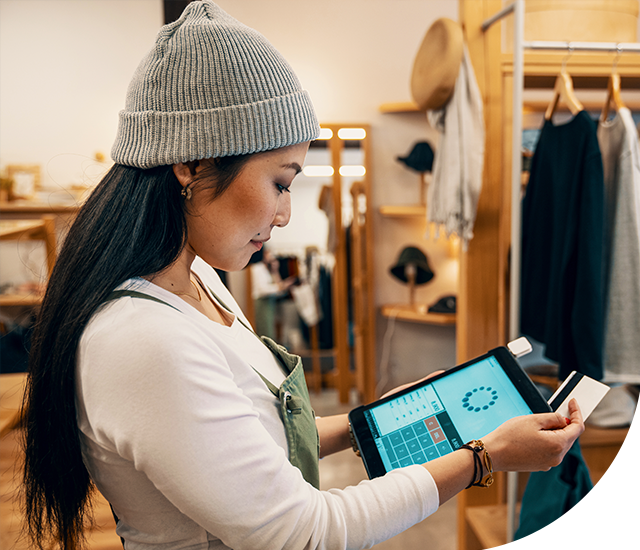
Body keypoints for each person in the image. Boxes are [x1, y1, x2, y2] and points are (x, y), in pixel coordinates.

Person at [21, 2, 584, 549]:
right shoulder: (141, 341)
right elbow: (303, 533)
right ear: (191, 163)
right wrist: (484, 455)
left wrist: (369, 420)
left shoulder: (202, 282)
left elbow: (248, 440)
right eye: (281, 182)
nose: (286, 215)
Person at [249, 247, 295, 340]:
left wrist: (275, 270)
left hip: (269, 302)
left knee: (270, 331)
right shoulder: (257, 267)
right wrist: (280, 287)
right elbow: (262, 289)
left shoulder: (267, 268)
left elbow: (279, 289)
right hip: (262, 301)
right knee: (265, 332)